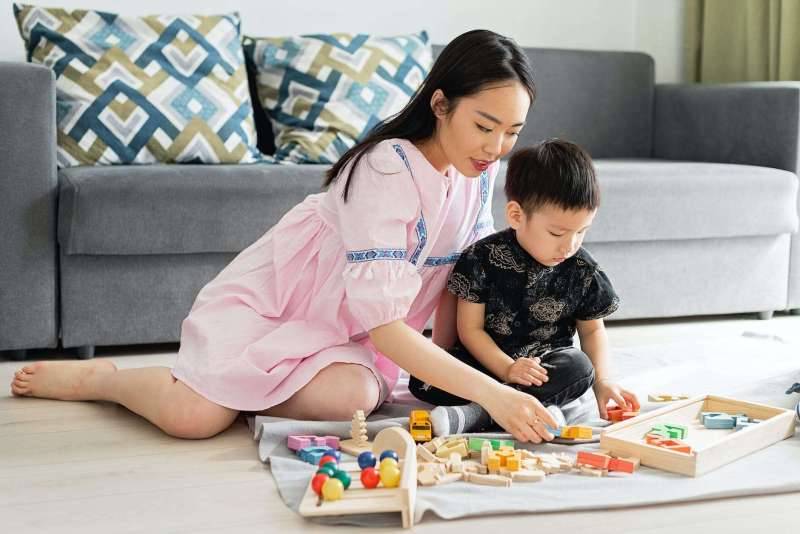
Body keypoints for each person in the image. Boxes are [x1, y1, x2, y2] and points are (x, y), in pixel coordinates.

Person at [10, 29, 558, 442]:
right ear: (440, 105)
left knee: (357, 398)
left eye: (512, 132)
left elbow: (460, 277)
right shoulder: (386, 169)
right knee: (192, 420)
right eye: (484, 126)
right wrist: (493, 393)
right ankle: (104, 380)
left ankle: (238, 391)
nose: (495, 147)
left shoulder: (477, 172)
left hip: (351, 334)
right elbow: (389, 327)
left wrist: (482, 366)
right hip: (285, 307)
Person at [409, 140, 640, 435]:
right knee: (423, 376)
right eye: (557, 232)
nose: (569, 246)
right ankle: (540, 406)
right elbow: (470, 331)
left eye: (581, 231)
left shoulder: (583, 270)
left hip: (545, 368)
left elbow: (592, 330)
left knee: (579, 368)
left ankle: (477, 415)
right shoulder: (481, 258)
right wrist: (507, 368)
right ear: (517, 215)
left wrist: (604, 382)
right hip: (488, 364)